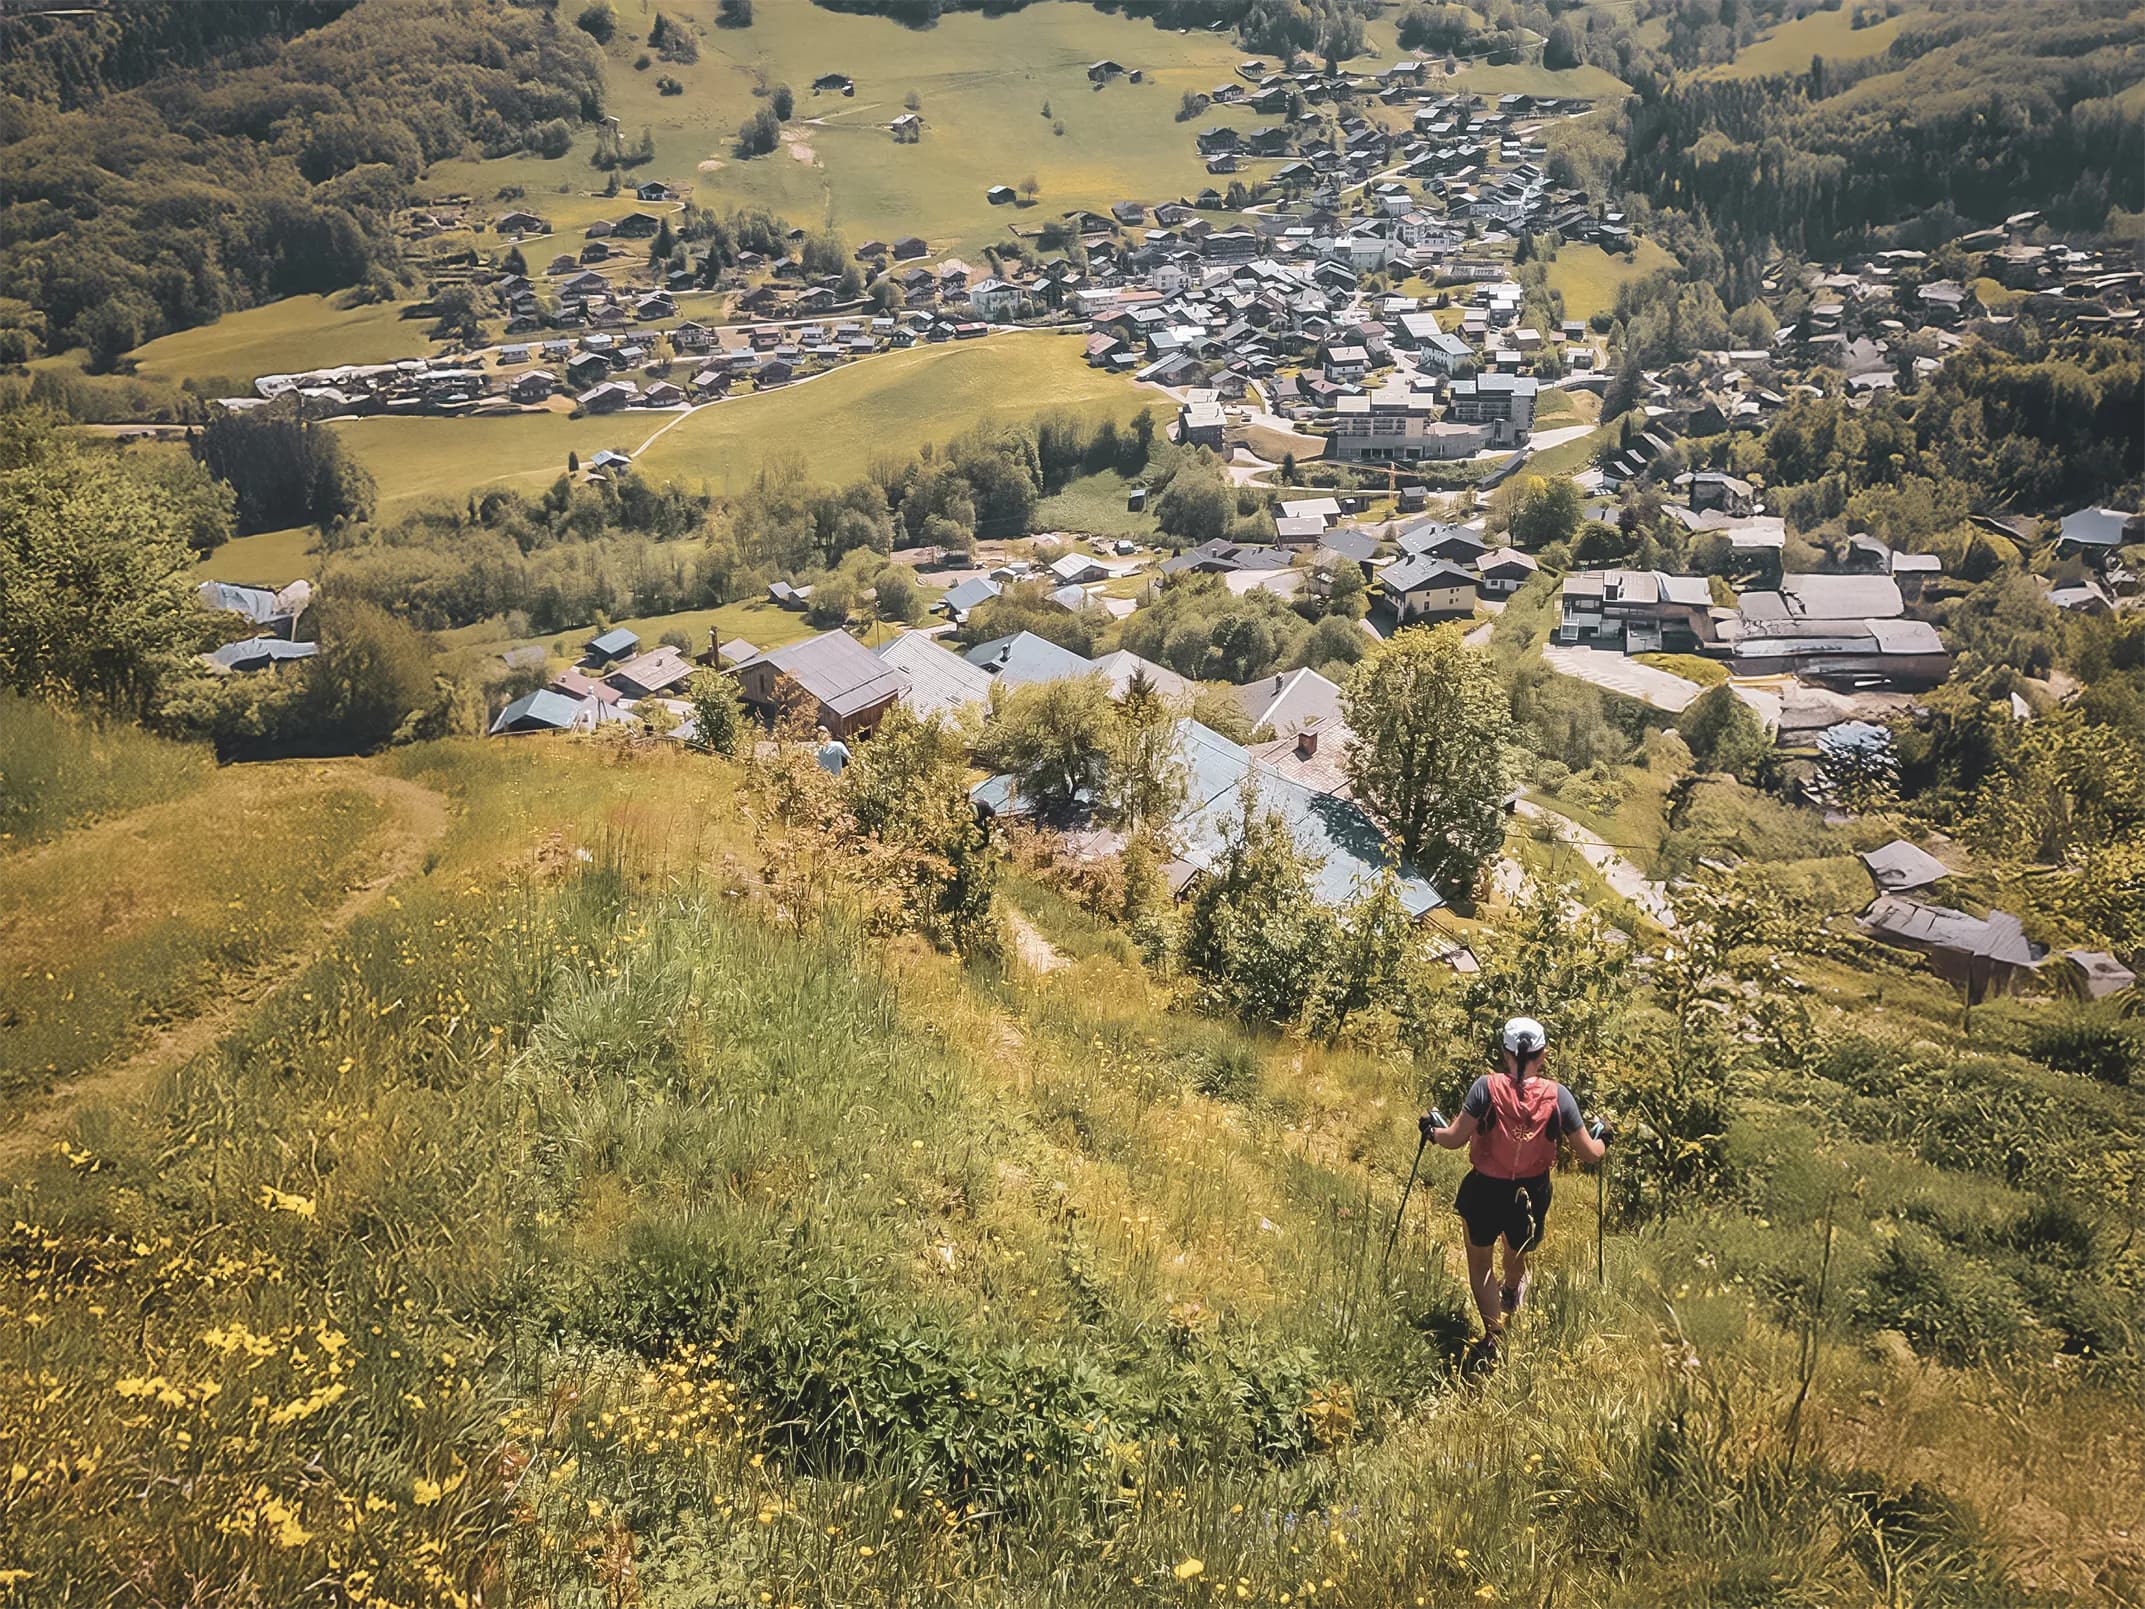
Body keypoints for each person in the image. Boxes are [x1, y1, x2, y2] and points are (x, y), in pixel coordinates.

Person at [1420, 1016, 1610, 1362]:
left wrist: (1432, 1130)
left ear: (1505, 1052)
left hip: (1485, 1189)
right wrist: (1604, 1136)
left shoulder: (1485, 1088)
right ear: (1544, 1054)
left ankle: (1494, 1338)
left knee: (1480, 1263)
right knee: (1518, 1250)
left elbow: (1454, 1139)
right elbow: (1590, 1154)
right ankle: (1511, 1292)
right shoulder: (1559, 1097)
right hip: (1533, 1191)